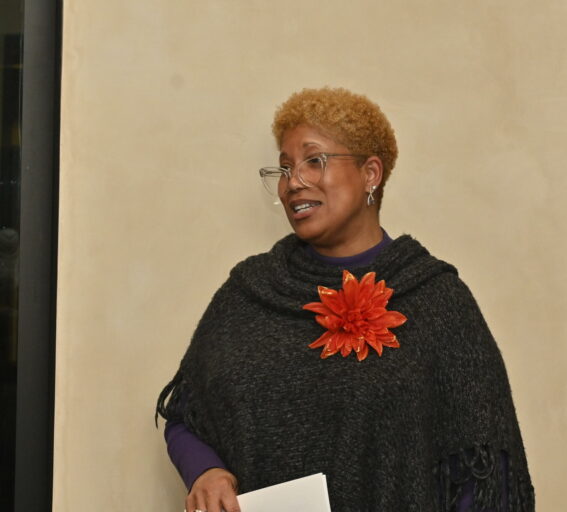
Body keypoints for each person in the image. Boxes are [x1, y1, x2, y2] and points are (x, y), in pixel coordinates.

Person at [156, 87, 534, 512]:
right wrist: (205, 471)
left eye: (314, 161)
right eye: (285, 167)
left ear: (370, 173)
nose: (293, 182)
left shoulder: (437, 300)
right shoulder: (249, 292)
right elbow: (185, 416)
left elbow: (482, 467)